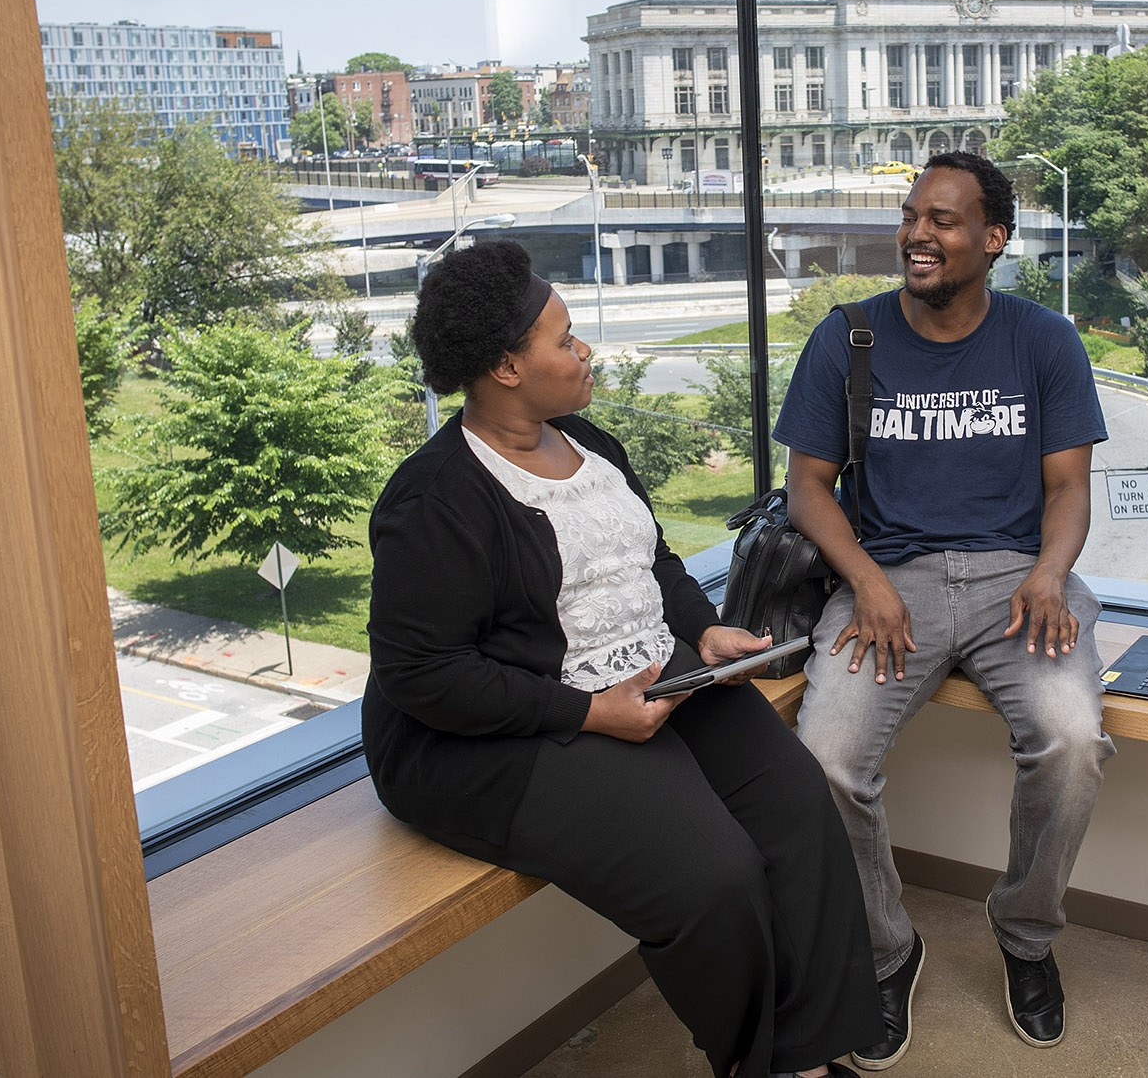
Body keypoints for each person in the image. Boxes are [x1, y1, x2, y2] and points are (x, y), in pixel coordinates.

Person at [362, 240, 880, 1078]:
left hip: (643, 670)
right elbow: (423, 675)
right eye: (564, 340)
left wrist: (703, 630)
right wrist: (589, 712)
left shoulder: (586, 440)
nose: (584, 351)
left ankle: (807, 1054)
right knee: (715, 878)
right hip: (501, 730)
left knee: (796, 808)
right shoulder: (434, 500)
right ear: (503, 366)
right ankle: (763, 1065)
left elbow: (650, 556)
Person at [773, 150, 1114, 1068]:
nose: (918, 234)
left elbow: (1070, 488)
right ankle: (889, 948)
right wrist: (869, 581)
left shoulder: (1043, 340)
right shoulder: (847, 338)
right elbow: (807, 488)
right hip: (891, 580)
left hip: (1019, 581)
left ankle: (1026, 935)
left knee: (1072, 737)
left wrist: (1049, 571)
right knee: (828, 760)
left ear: (993, 239)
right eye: (912, 214)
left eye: (945, 220)